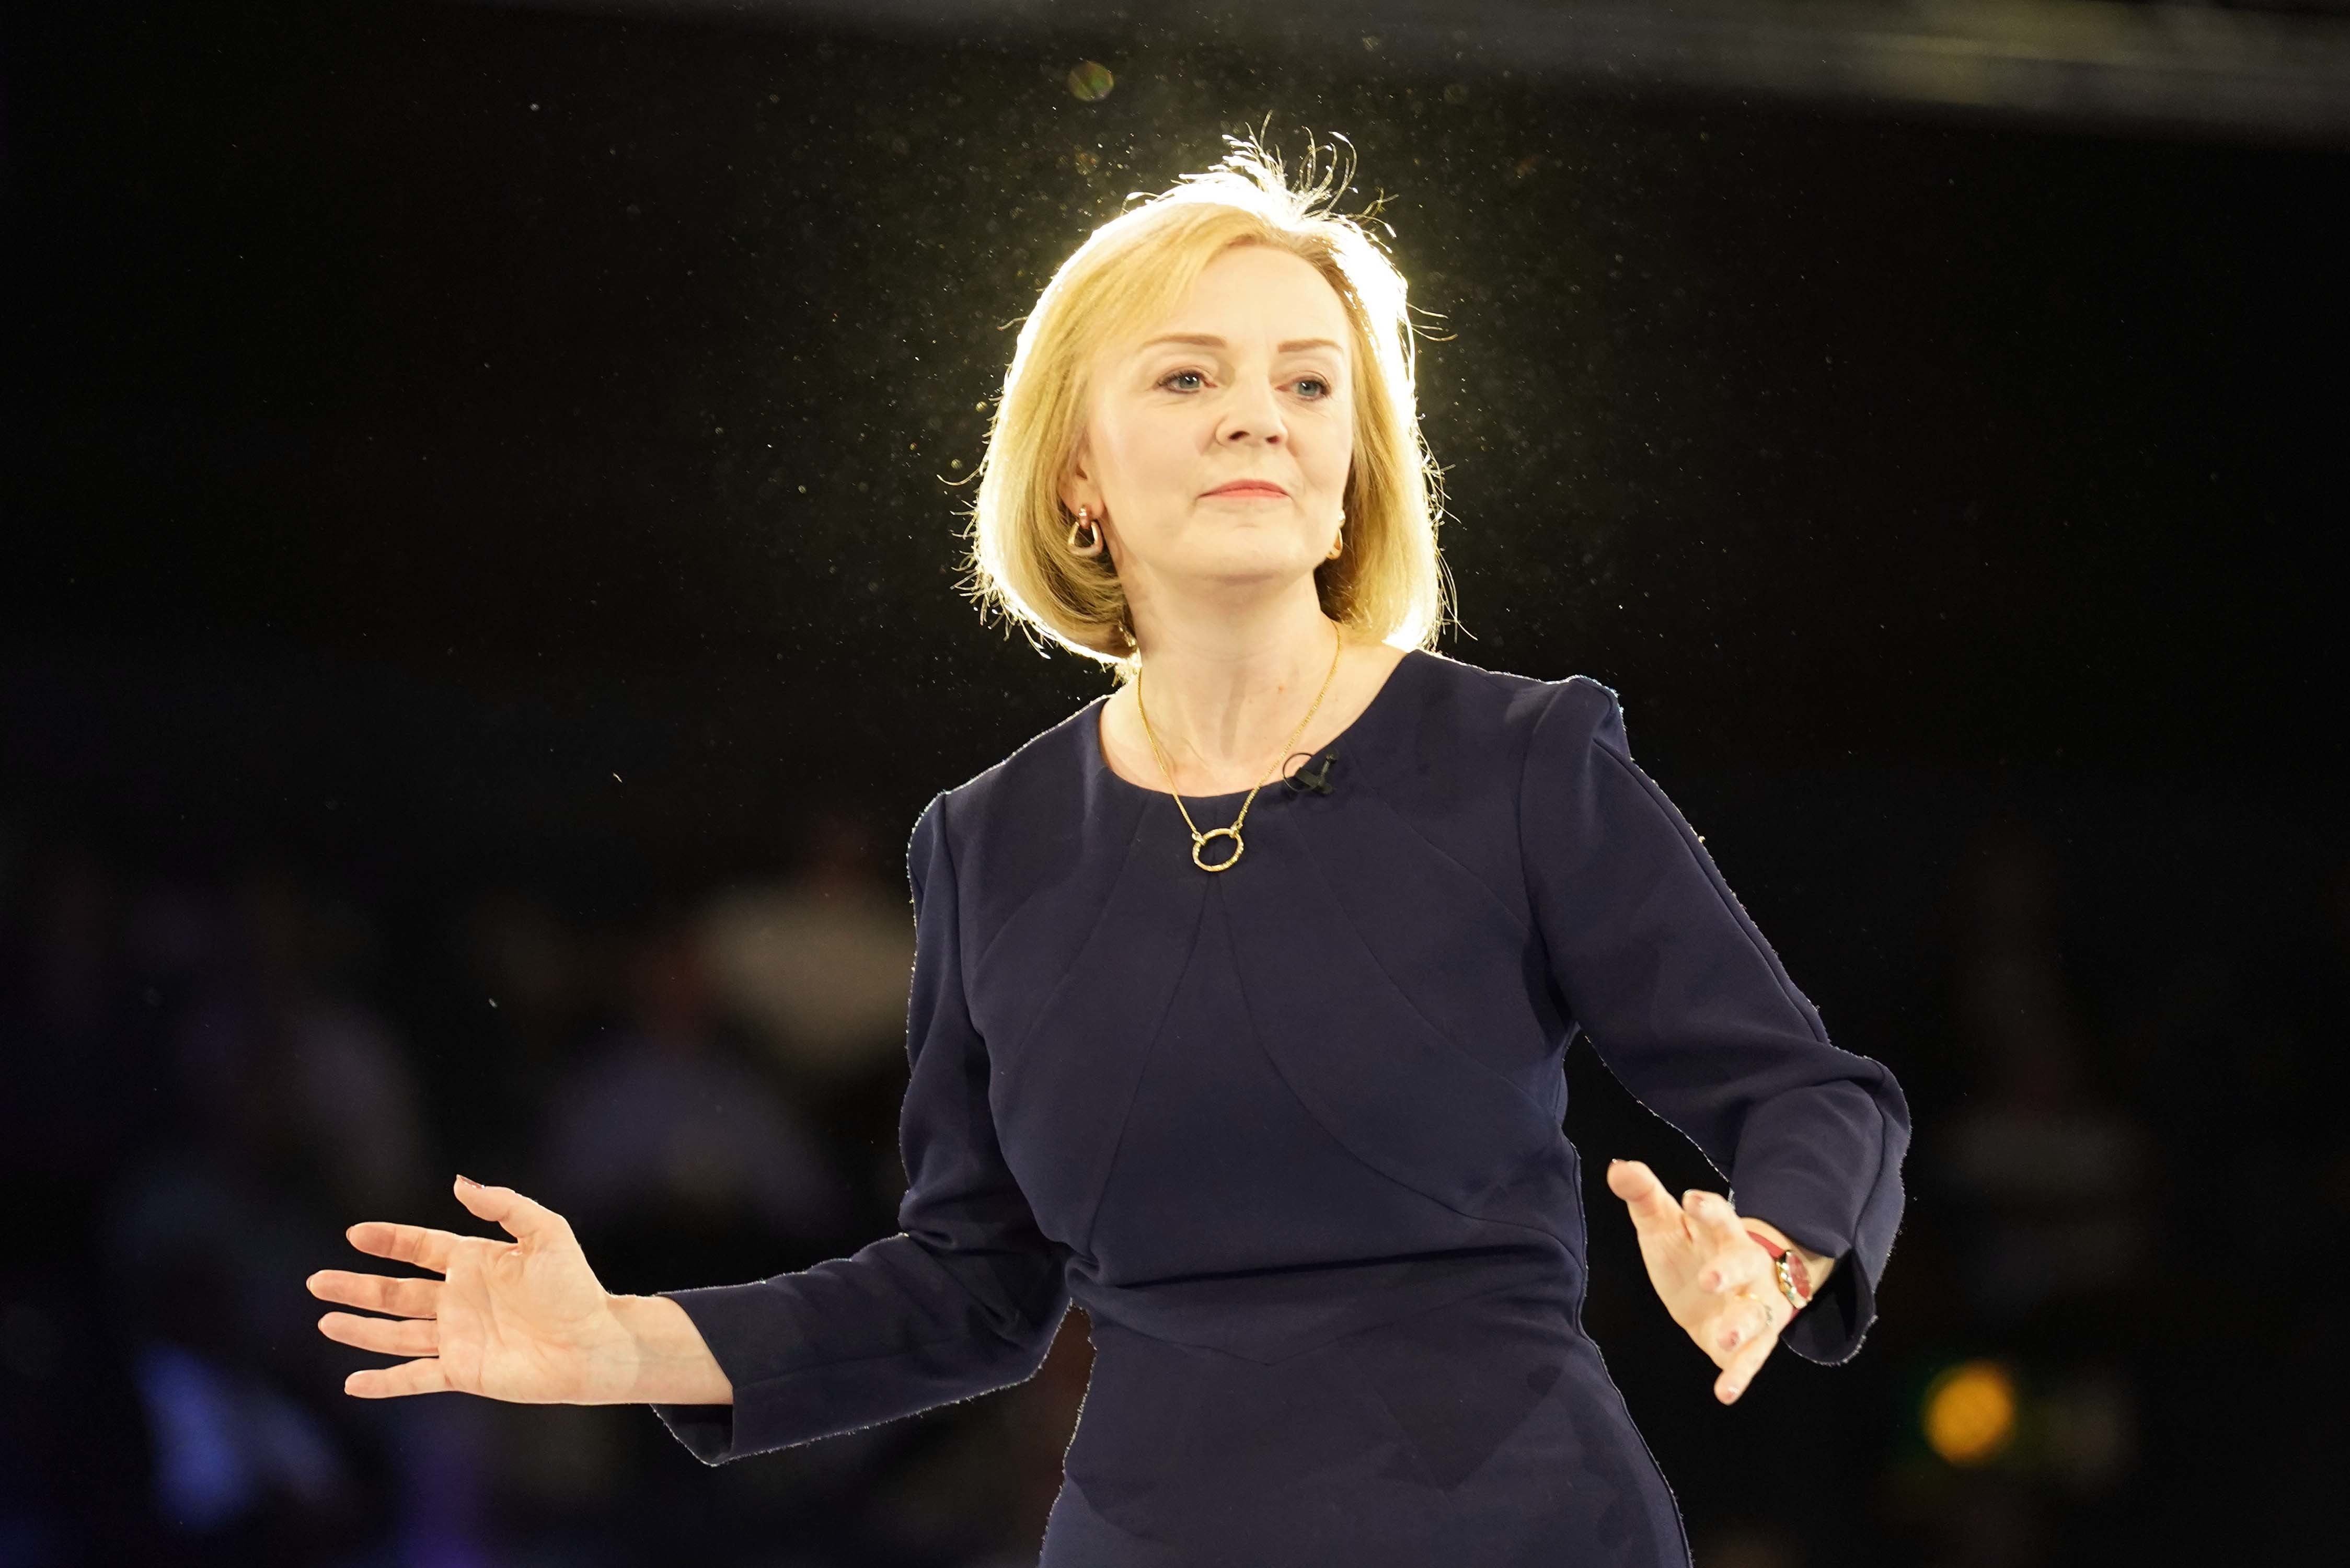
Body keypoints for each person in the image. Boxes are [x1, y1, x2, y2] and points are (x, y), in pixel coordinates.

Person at [307, 135, 1911, 1565]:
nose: (1257, 422)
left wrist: (1775, 1245)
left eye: (1307, 383)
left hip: (1514, 1525)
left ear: (1354, 468)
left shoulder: (1522, 761)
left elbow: (1806, 1095)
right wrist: (628, 1344)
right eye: (1187, 377)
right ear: (1078, 475)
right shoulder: (989, 844)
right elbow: (974, 1288)